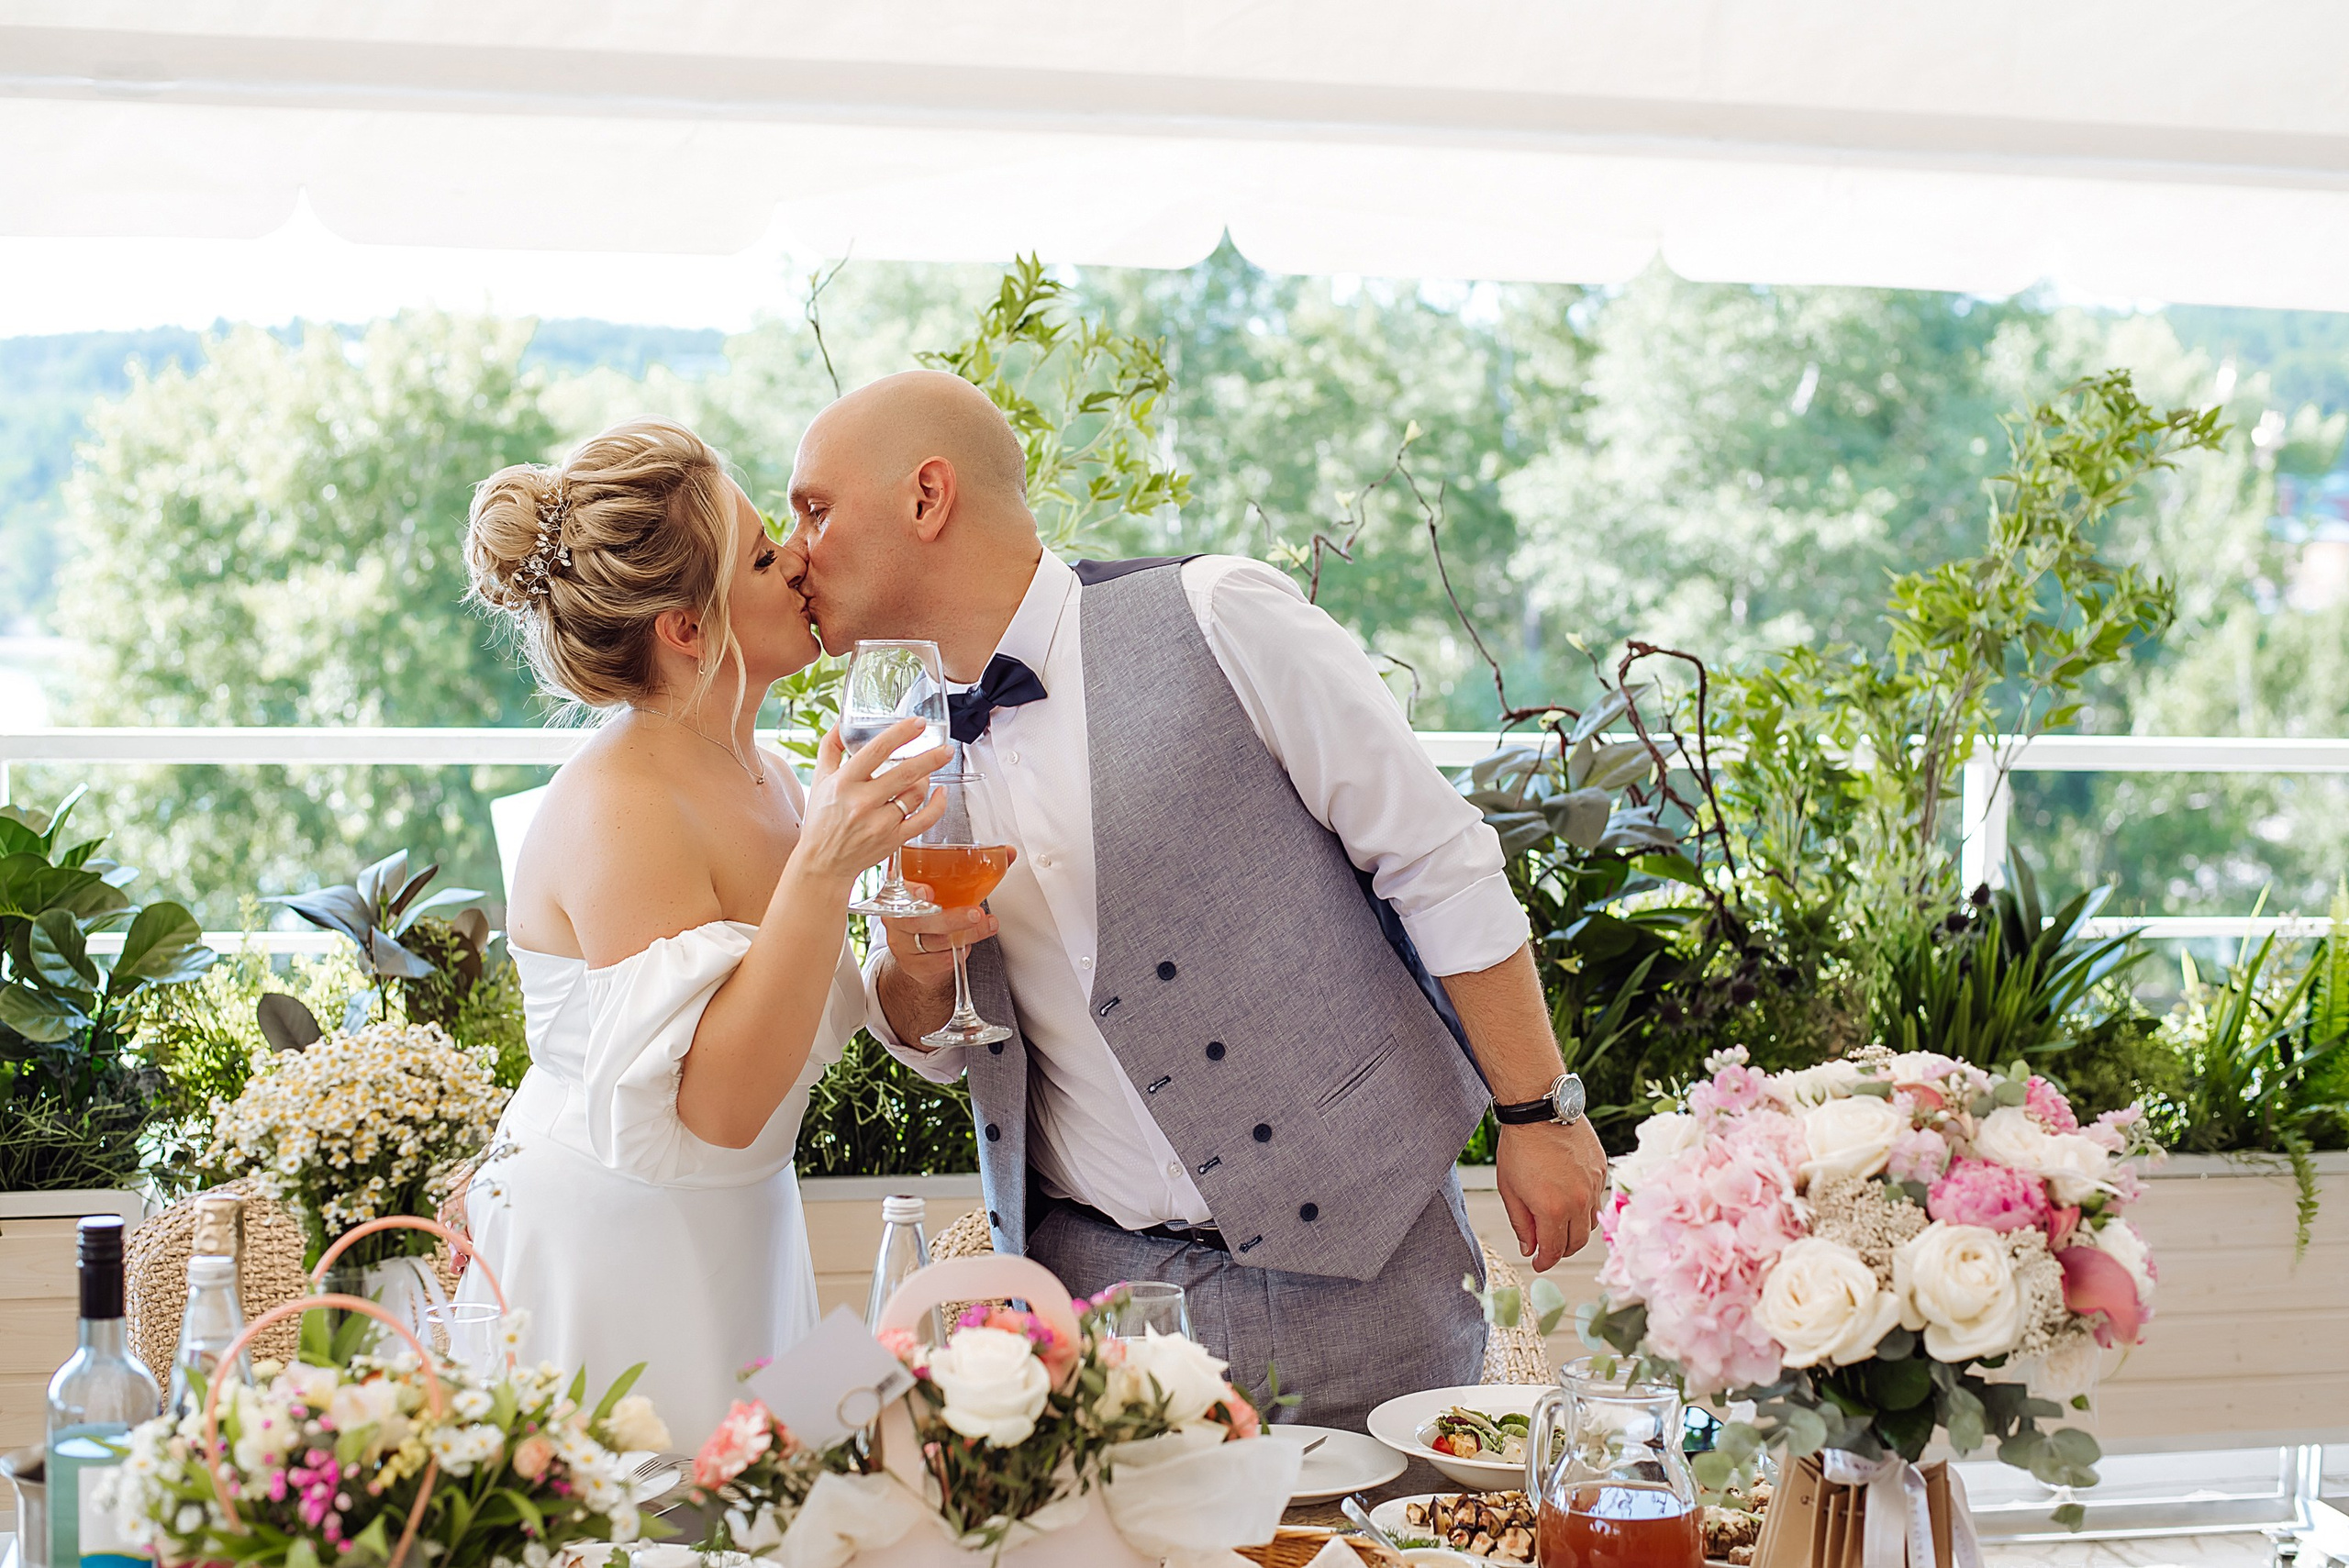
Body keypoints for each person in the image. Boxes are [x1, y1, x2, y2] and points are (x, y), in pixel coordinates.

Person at [782, 372, 1609, 1429]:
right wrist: (912, 956)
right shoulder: (893, 739)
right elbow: (935, 1039)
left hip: (1360, 1281)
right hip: (1097, 1308)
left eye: (815, 507)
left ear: (926, 497)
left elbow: (1436, 859)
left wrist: (1538, 1110)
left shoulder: (1219, 613)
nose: (796, 547)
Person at [456, 417, 950, 1440]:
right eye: (767, 556)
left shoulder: (769, 770)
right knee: (639, 1520)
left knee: (785, 1513)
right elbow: (715, 1108)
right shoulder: (619, 805)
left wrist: (920, 952)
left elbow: (828, 1007)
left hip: (743, 1217)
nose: (802, 562)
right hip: (614, 1241)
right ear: (686, 628)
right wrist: (823, 865)